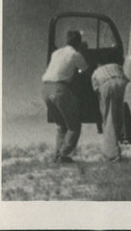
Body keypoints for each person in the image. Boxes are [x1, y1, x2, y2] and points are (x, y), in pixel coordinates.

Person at [41, 29, 89, 163]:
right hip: (60, 88)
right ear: (78, 43)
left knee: (60, 124)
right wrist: (83, 52)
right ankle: (63, 154)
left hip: (45, 88)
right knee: (74, 126)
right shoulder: (75, 54)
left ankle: (57, 155)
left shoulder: (56, 53)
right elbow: (85, 70)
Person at [91, 62, 128, 161]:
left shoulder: (95, 73)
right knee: (121, 116)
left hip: (106, 84)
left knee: (109, 119)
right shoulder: (116, 65)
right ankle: (121, 136)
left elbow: (97, 92)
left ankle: (112, 155)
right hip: (123, 83)